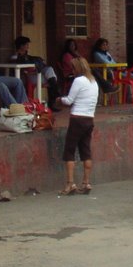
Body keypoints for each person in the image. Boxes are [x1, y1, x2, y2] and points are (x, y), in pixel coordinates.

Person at [57, 57, 99, 195]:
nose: (72, 71)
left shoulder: (78, 80)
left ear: (77, 69)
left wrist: (58, 100)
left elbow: (69, 101)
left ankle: (70, 184)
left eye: (73, 68)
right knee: (85, 150)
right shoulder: (93, 81)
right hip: (89, 119)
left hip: (77, 119)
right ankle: (86, 182)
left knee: (69, 151)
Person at [10, 35, 61, 109]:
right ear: (21, 46)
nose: (28, 46)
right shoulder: (14, 57)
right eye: (26, 44)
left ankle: (54, 92)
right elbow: (21, 71)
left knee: (49, 70)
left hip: (35, 75)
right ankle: (54, 100)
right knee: (52, 81)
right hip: (27, 78)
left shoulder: (28, 57)